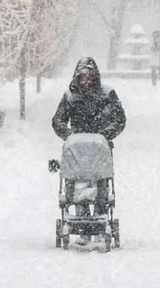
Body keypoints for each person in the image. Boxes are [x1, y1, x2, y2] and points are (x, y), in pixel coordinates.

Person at [52, 57, 126, 245]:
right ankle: (83, 227)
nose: (86, 81)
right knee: (78, 186)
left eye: (89, 77)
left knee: (100, 183)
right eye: (82, 77)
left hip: (100, 148)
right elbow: (58, 120)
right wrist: (69, 135)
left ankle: (100, 220)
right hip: (77, 149)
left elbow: (119, 119)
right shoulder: (70, 96)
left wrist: (105, 134)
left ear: (95, 77)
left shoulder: (107, 94)